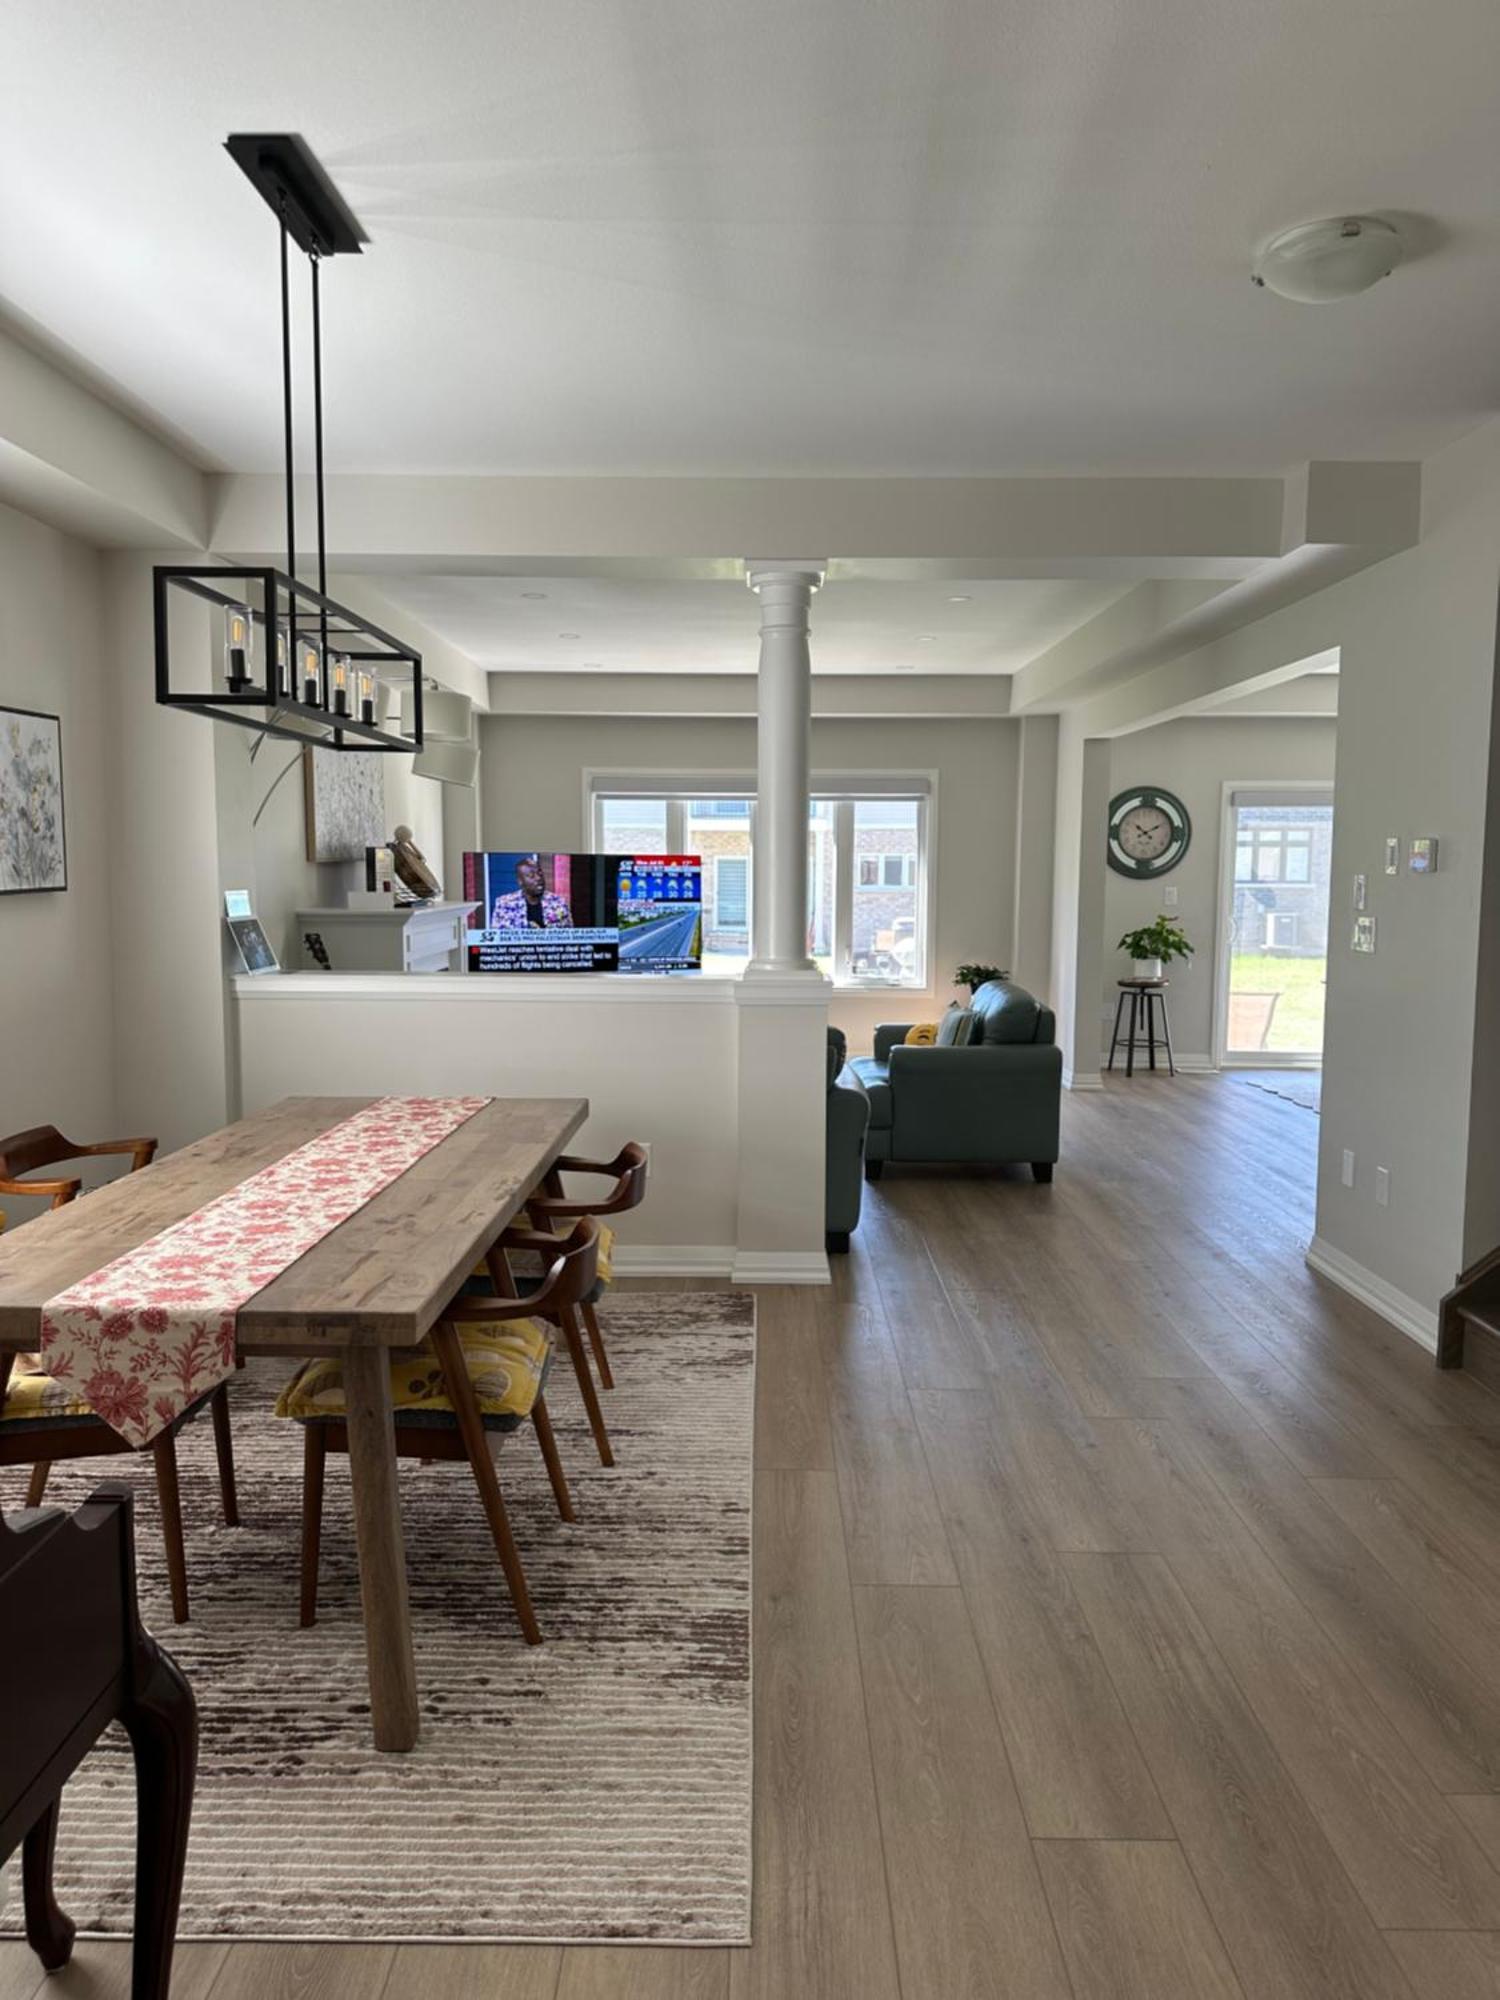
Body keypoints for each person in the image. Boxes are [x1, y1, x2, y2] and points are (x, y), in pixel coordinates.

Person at [491, 853, 573, 928]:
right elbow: (497, 936)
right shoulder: (505, 904)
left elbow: (570, 935)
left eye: (540, 874)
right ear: (520, 881)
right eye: (531, 876)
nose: (538, 878)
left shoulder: (558, 903)